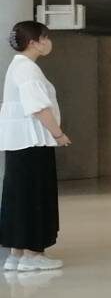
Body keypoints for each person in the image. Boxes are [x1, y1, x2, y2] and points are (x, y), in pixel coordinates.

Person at [1, 21, 68, 272]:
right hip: (33, 141)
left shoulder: (17, 66)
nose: (49, 42)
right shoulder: (28, 69)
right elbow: (39, 107)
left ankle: (16, 254)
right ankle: (32, 254)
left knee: (19, 196)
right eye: (45, 37)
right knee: (36, 196)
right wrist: (58, 134)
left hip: (20, 143)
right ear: (34, 42)